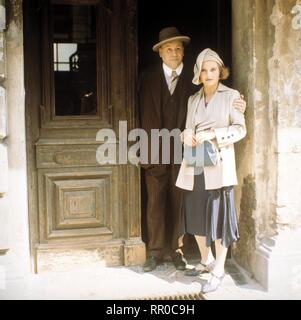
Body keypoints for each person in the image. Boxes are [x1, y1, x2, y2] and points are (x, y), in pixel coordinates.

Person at [139, 27, 246, 272]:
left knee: (180, 204)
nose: (174, 53)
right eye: (169, 49)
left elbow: (220, 100)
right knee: (154, 203)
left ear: (184, 52)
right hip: (154, 151)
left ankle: (177, 250)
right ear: (160, 53)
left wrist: (241, 105)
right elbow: (134, 111)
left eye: (178, 49)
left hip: (188, 154)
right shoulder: (145, 77)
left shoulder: (195, 77)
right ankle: (155, 252)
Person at [176, 48, 247, 293]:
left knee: (218, 218)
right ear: (198, 72)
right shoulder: (192, 99)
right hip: (195, 163)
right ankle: (206, 260)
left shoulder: (232, 96)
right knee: (196, 213)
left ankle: (219, 269)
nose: (208, 74)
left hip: (218, 163)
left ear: (220, 71)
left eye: (213, 69)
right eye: (204, 70)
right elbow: (187, 129)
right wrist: (187, 135)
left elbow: (240, 129)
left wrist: (215, 135)